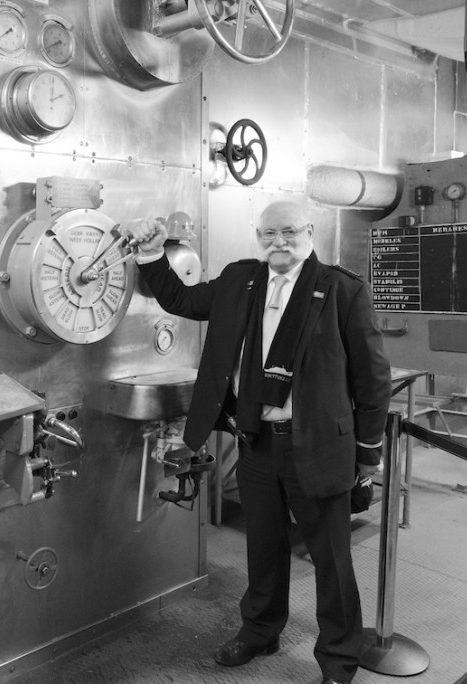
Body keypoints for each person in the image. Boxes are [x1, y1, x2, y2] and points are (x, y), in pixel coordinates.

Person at [124, 200, 391, 684]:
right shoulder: (240, 280)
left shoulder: (341, 290)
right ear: (258, 236)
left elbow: (373, 380)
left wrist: (367, 454)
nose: (278, 242)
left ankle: (338, 658)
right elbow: (182, 301)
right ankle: (261, 630)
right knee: (262, 548)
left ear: (308, 231)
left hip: (317, 445)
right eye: (268, 233)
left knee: (331, 560)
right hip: (256, 441)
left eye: (289, 231)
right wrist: (149, 255)